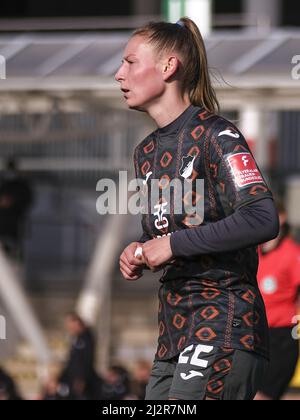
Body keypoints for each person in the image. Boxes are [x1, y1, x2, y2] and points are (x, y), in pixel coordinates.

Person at [116, 17, 279, 400]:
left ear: (169, 67)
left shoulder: (216, 134)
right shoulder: (146, 153)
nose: (118, 74)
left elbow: (261, 217)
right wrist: (139, 250)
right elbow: (169, 228)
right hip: (172, 335)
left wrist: (171, 244)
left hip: (223, 323)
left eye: (130, 62)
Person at [256, 200, 300, 400]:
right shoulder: (253, 252)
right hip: (254, 334)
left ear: (280, 219)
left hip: (281, 336)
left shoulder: (291, 253)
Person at [58, 312, 103, 400]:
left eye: (70, 325)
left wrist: (81, 378)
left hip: (81, 379)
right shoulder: (76, 339)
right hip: (72, 377)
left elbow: (87, 359)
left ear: (77, 323)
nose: (69, 328)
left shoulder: (87, 338)